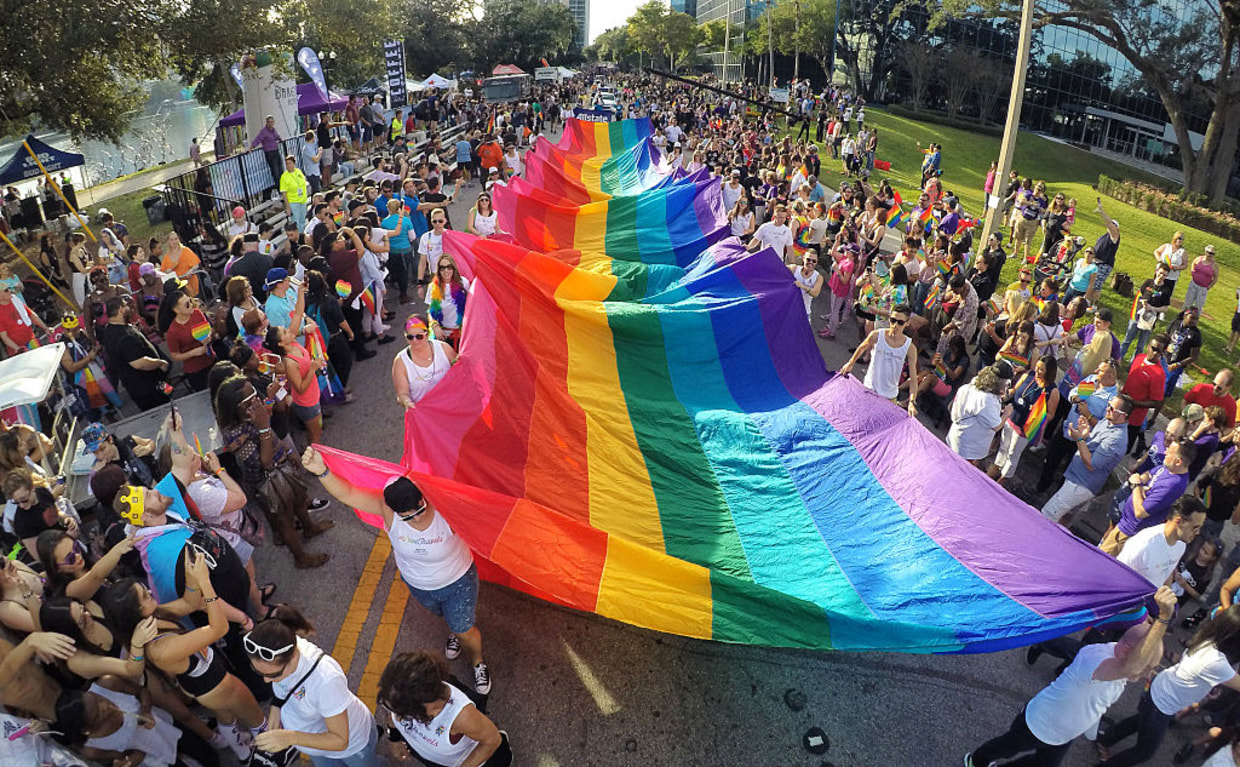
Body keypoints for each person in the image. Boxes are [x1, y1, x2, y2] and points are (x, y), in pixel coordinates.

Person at [302, 447, 491, 694]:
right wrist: (323, 471)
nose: (415, 519)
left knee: (464, 630)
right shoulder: (387, 509)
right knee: (448, 618)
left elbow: (436, 454)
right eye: (407, 517)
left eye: (420, 510)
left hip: (457, 581)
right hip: (418, 585)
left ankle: (478, 661)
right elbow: (348, 493)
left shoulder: (445, 507)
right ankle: (455, 628)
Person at [964, 587, 1178, 767]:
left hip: (1061, 734)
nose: (1147, 673)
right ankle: (975, 761)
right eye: (1147, 666)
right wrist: (1163, 619)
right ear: (1127, 652)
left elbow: (1098, 702)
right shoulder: (1098, 661)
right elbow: (1133, 667)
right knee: (1005, 747)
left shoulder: (1118, 664)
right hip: (1038, 725)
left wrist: (1091, 728)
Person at [1096, 605, 1240, 766]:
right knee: (1144, 753)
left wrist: (1208, 687)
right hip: (1162, 705)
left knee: (1139, 720)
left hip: (1159, 689)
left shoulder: (1209, 639)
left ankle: (1104, 739)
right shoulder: (1218, 663)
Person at [214, 375, 331, 568]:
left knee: (300, 502)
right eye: (251, 396)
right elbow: (265, 463)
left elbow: (268, 416)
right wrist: (262, 428)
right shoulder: (234, 435)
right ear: (239, 407)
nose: (256, 398)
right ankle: (300, 557)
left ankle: (310, 528)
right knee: (285, 521)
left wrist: (288, 451)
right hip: (268, 482)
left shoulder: (255, 412)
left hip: (283, 468)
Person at [244, 607, 381, 767]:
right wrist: (276, 705)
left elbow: (340, 740)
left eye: (274, 675)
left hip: (352, 747)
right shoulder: (280, 647)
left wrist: (289, 738)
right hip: (314, 746)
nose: (266, 680)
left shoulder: (326, 680)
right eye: (258, 671)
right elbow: (283, 686)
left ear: (294, 655)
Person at [379, 652, 512, 767]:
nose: (398, 716)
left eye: (404, 714)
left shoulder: (462, 716)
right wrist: (394, 738)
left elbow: (492, 740)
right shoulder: (397, 697)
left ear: (428, 702)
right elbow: (392, 713)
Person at [1100, 436, 1195, 556]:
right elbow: (1148, 474)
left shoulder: (1173, 485)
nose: (1165, 451)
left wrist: (1136, 485)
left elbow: (1141, 511)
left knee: (1101, 560)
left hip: (1128, 533)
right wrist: (1141, 485)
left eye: (1169, 451)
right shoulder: (1168, 468)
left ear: (1178, 461)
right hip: (1124, 522)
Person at [989, 356, 1060, 486]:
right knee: (1004, 446)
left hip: (1025, 429)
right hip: (1011, 419)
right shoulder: (1028, 375)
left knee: (1013, 453)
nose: (1037, 372)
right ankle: (996, 467)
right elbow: (1014, 391)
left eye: (1041, 370)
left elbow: (1051, 415)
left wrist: (1039, 413)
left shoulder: (1052, 391)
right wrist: (1002, 395)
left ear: (1049, 372)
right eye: (1037, 368)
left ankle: (1003, 479)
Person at [839, 304, 919, 417]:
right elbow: (862, 347)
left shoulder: (910, 348)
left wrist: (911, 402)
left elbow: (914, 378)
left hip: (889, 397)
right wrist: (850, 363)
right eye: (893, 320)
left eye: (900, 323)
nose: (895, 325)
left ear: (906, 324)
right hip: (869, 389)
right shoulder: (877, 335)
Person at [99, 296, 170, 411]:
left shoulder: (111, 329)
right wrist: (160, 363)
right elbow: (138, 363)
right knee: (164, 413)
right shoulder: (122, 336)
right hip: (147, 388)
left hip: (150, 382)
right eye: (126, 306)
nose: (129, 308)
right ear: (121, 309)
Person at [264, 324, 324, 444]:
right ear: (280, 343)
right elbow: (300, 388)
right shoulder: (290, 363)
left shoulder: (294, 344)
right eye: (285, 332)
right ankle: (312, 457)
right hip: (307, 402)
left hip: (313, 395)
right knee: (315, 435)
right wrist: (312, 369)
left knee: (315, 431)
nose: (289, 332)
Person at [947, 364, 1008, 467]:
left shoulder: (969, 387)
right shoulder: (986, 400)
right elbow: (996, 426)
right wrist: (1007, 414)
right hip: (967, 448)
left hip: (955, 437)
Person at [392, 316, 458, 410]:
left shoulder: (444, 348)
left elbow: (461, 371)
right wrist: (406, 401)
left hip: (452, 406)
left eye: (419, 336)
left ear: (427, 334)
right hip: (426, 414)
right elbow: (402, 394)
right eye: (410, 337)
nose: (415, 341)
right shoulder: (400, 361)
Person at [1122, 336, 1168, 456]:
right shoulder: (1139, 358)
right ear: (1148, 346)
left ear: (1162, 353)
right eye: (1153, 348)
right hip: (1121, 408)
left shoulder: (1159, 375)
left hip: (1134, 418)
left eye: (1158, 351)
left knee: (1124, 448)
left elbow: (1157, 402)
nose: (1154, 353)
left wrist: (1134, 403)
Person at [162, 290, 215, 391]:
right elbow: (175, 355)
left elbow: (208, 328)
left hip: (211, 359)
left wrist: (208, 336)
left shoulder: (197, 313)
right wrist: (193, 353)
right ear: (176, 310)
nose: (191, 305)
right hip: (195, 370)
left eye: (190, 301)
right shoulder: (173, 331)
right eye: (187, 304)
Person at [428, 256, 470, 350]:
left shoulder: (463, 283)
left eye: (449, 267)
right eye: (442, 268)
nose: (446, 271)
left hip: (461, 334)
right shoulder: (433, 287)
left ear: (453, 268)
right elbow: (430, 311)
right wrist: (435, 326)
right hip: (442, 335)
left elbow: (471, 306)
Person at [250, 115, 284, 190]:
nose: (271, 123)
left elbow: (276, 136)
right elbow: (257, 139)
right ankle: (280, 189)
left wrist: (280, 139)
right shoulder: (263, 132)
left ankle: (283, 187)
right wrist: (251, 148)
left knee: (281, 170)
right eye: (269, 122)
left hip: (276, 150)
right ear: (267, 123)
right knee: (276, 172)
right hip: (270, 153)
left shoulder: (273, 130)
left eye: (272, 122)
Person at [1185, 243, 1219, 312]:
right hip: (1193, 284)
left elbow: (1215, 278)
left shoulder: (1214, 265)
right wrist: (1193, 273)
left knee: (1198, 307)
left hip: (1203, 288)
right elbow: (1193, 264)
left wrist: (1209, 286)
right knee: (1187, 303)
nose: (1211, 255)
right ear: (1206, 252)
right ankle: (1182, 318)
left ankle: (1194, 320)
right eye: (1209, 253)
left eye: (1213, 254)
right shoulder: (1199, 259)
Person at [281, 154, 310, 231]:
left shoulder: (298, 171)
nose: (288, 165)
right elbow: (284, 193)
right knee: (296, 222)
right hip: (293, 202)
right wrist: (288, 207)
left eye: (290, 163)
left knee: (302, 221)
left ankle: (302, 236)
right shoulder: (284, 176)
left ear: (294, 163)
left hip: (302, 200)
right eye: (287, 164)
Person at [789, 252, 823, 318]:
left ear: (816, 262)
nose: (811, 262)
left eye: (814, 261)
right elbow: (778, 267)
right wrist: (768, 252)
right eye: (808, 259)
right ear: (803, 258)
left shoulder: (818, 277)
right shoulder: (794, 269)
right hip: (790, 310)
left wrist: (802, 286)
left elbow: (815, 293)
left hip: (804, 312)